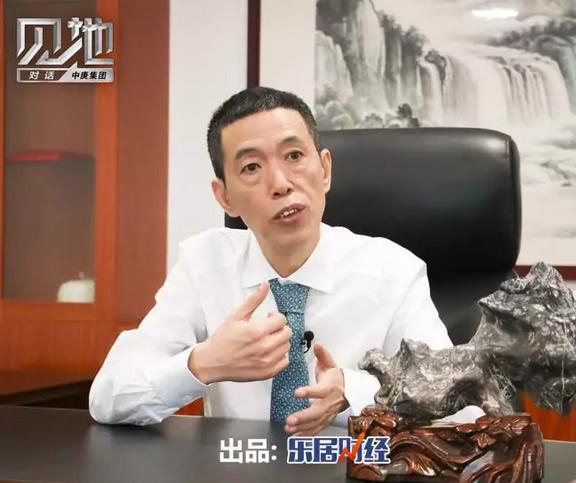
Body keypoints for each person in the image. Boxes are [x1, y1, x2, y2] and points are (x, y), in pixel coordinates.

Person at [89, 86, 453, 435]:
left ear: (324, 170)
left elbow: (457, 406)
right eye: (251, 167)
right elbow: (109, 398)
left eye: (294, 156)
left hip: (349, 465)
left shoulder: (394, 272)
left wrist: (354, 394)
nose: (280, 184)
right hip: (237, 464)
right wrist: (203, 363)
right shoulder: (203, 264)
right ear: (225, 197)